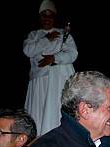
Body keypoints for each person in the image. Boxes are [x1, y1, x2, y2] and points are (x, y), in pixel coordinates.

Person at [24, 0, 78, 136]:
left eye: (50, 15)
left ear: (54, 17)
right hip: (39, 81)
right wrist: (47, 39)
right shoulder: (34, 35)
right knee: (38, 114)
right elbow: (28, 51)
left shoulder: (63, 34)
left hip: (56, 81)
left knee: (54, 112)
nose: (47, 18)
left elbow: (72, 54)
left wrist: (53, 58)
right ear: (39, 17)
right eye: (44, 15)